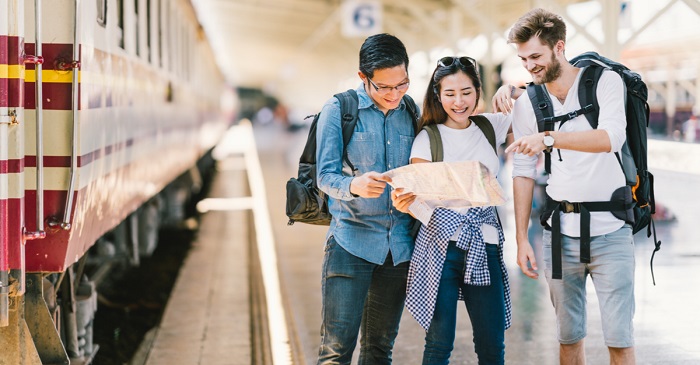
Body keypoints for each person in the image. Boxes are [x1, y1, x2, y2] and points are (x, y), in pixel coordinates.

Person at [503, 8, 636, 365]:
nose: (529, 66)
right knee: (568, 337)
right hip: (560, 237)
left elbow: (611, 138)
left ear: (559, 47)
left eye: (535, 56)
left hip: (613, 234)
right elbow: (522, 170)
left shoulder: (604, 81)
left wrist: (548, 138)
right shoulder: (528, 101)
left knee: (620, 340)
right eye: (523, 58)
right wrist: (520, 240)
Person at [391, 56, 512, 365]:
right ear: (438, 95)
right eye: (450, 94)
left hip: (486, 244)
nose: (459, 102)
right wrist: (424, 210)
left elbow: (539, 107)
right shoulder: (427, 139)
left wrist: (512, 90)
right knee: (439, 343)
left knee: (491, 342)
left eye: (467, 92)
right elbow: (415, 197)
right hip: (440, 247)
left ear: (478, 90)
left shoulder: (491, 126)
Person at [315, 33, 417, 365]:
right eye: (384, 87)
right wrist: (354, 186)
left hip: (397, 249)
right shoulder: (338, 109)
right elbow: (325, 175)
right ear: (363, 78)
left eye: (401, 84)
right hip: (350, 243)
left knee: (379, 350)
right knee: (336, 351)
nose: (394, 94)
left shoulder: (411, 111)